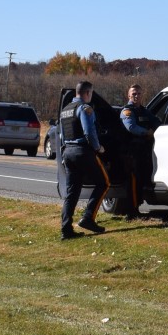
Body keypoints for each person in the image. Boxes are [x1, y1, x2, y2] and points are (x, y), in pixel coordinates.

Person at [58, 81, 110, 238]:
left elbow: (62, 135)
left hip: (68, 152)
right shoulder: (85, 108)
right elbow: (89, 132)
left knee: (72, 193)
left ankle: (66, 230)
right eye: (91, 93)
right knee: (103, 183)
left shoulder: (65, 110)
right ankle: (88, 218)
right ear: (87, 93)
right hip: (83, 152)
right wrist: (98, 147)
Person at [116, 83, 157, 220]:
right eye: (134, 94)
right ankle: (131, 212)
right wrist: (147, 133)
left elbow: (156, 122)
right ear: (128, 95)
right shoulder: (127, 111)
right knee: (133, 182)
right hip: (131, 153)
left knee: (140, 181)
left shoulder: (145, 111)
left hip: (144, 152)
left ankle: (136, 208)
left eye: (139, 93)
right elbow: (131, 127)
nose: (137, 96)